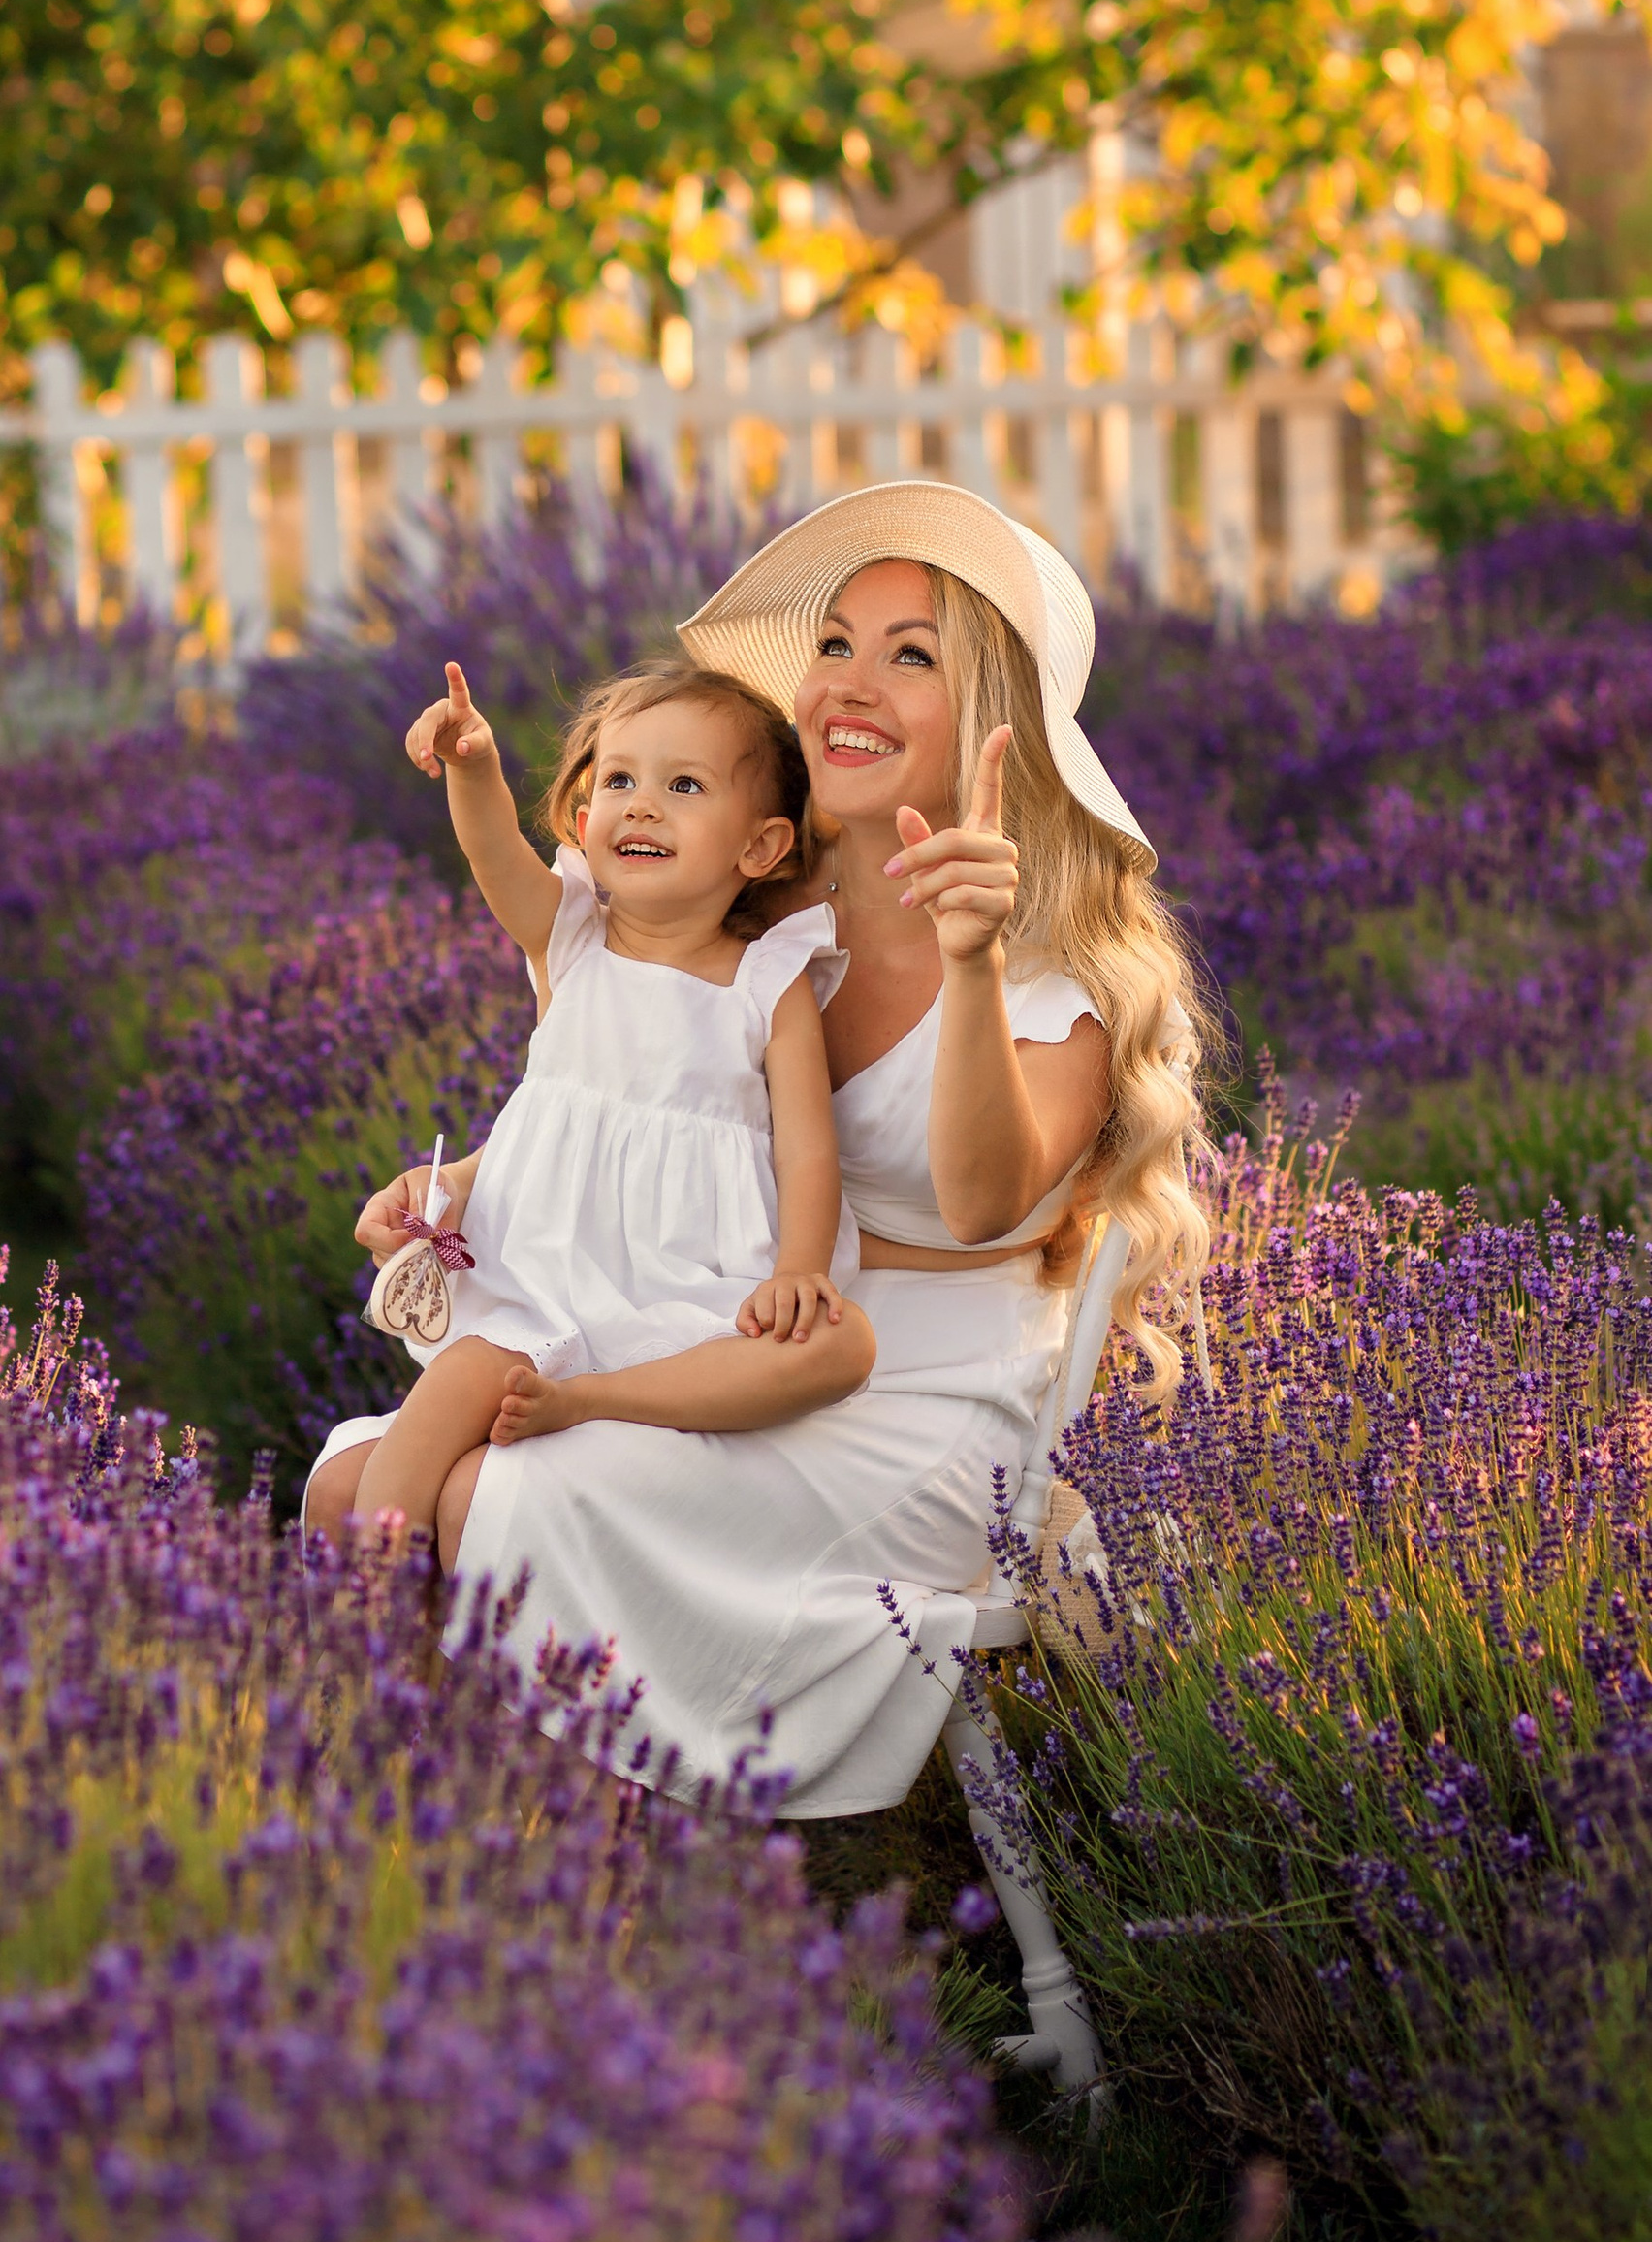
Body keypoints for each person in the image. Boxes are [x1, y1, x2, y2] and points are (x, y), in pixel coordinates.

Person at [302, 480, 1206, 1820]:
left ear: (997, 723)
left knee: (497, 1491)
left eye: (913, 657)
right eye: (837, 642)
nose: (848, 682)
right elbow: (622, 1104)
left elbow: (982, 1196)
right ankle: (436, 1850)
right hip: (700, 1327)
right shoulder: (752, 908)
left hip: (911, 1409)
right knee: (352, 1477)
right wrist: (455, 1190)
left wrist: (966, 968)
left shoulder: (1049, 983)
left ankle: (573, 1860)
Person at [325, 651, 874, 1554]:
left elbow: (808, 1149)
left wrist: (801, 1268)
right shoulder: (573, 935)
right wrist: (475, 766)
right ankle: (378, 1600)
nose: (642, 803)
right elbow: (493, 853)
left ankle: (586, 1406)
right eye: (619, 779)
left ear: (761, 846)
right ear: (585, 819)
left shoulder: (768, 983)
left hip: (687, 1286)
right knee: (460, 1383)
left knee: (836, 1346)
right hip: (548, 1284)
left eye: (685, 784)